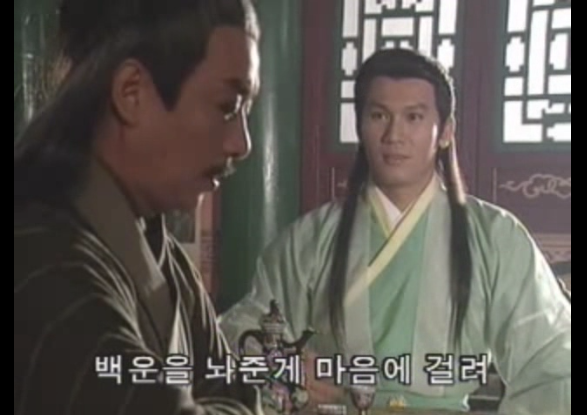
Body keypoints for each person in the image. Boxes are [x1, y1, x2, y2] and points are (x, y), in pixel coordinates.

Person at [219, 49, 572, 414]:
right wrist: (281, 369)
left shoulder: (495, 238)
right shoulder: (310, 240)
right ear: (360, 126)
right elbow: (240, 333)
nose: (394, 135)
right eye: (379, 116)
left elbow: (555, 359)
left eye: (413, 117)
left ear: (445, 131)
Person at [14, 0, 263, 414]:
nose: (242, 143)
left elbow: (237, 393)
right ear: (132, 93)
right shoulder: (40, 263)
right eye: (227, 106)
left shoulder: (166, 260)